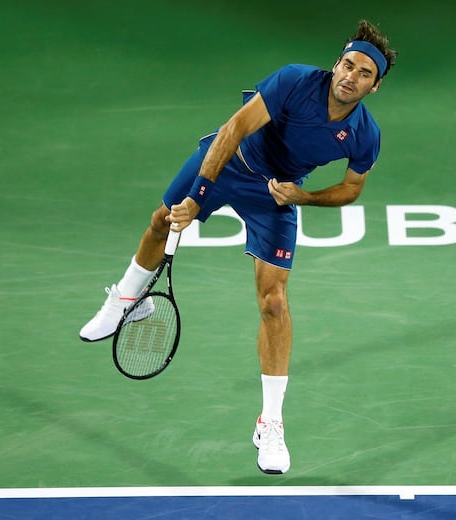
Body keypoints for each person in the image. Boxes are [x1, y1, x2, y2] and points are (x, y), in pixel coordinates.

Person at [79, 20, 397, 475]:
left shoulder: (366, 134)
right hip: (230, 162)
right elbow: (231, 131)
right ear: (336, 64)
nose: (351, 76)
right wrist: (197, 196)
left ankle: (271, 421)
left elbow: (352, 189)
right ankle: (126, 298)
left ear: (375, 85)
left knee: (274, 303)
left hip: (273, 193)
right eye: (347, 64)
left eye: (364, 73)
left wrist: (302, 196)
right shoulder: (293, 81)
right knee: (162, 220)